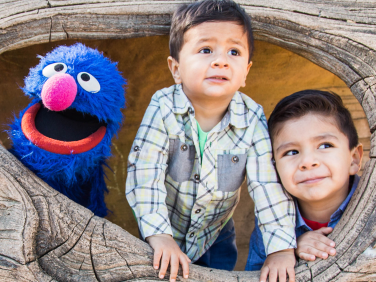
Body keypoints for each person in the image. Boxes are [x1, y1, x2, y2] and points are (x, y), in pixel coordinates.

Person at [126, 1, 297, 281]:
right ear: (176, 68)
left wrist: (280, 248)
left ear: (246, 72)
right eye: (206, 50)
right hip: (164, 223)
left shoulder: (251, 117)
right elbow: (144, 173)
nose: (221, 60)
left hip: (216, 232)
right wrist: (159, 235)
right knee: (157, 273)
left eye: (234, 51)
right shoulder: (164, 106)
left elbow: (266, 184)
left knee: (219, 275)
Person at [245, 90, 363, 270]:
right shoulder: (270, 215)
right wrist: (287, 246)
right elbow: (256, 271)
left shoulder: (370, 205)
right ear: (273, 167)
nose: (308, 162)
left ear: (353, 158)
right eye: (291, 152)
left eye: (325, 146)